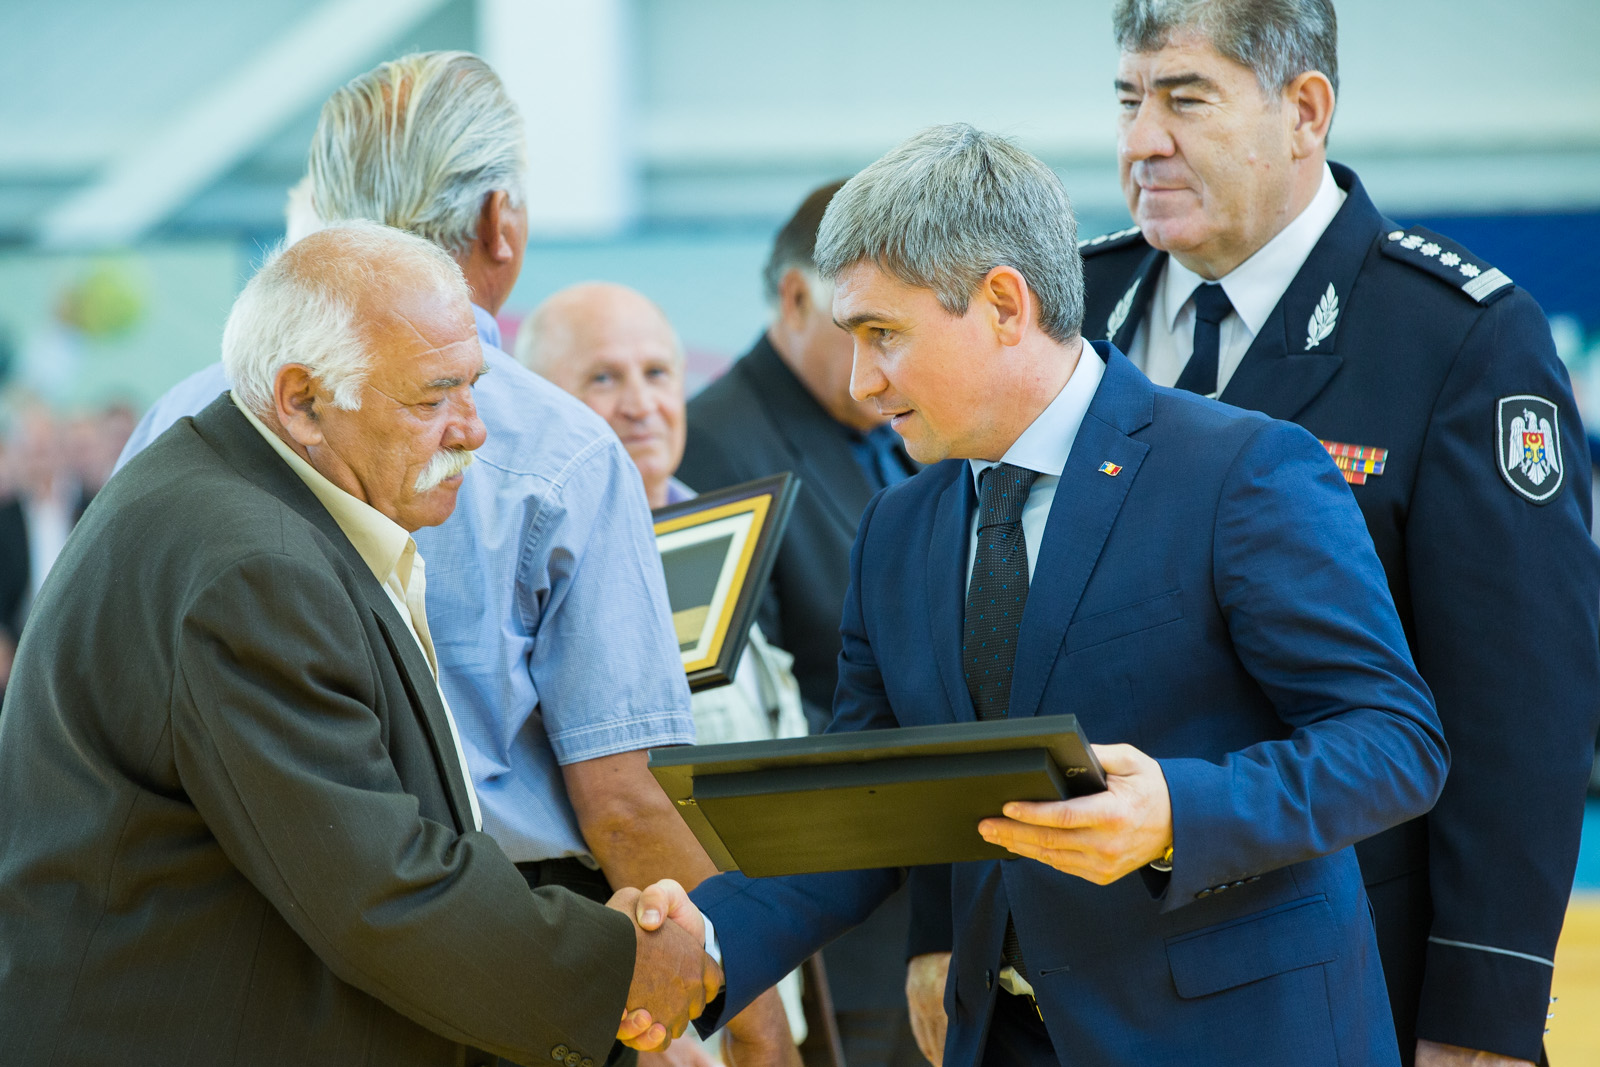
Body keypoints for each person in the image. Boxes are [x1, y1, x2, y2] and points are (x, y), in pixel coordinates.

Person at [904, 4, 1600, 1066]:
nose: (1143, 140)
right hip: (1050, 991)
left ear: (1305, 111)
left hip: (1333, 976)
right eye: (1128, 100)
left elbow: (1522, 699)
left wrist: (1482, 1010)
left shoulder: (1453, 335)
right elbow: (962, 628)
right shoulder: (1066, 305)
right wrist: (939, 922)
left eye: (1186, 99)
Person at [678, 123, 1448, 1067]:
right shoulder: (898, 528)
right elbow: (866, 803)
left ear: (1005, 304)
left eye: (883, 335)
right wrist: (700, 941)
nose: (861, 381)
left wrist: (1176, 812)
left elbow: (1393, 741)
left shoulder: (1238, 472)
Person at [114, 51, 793, 1064]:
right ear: (498, 224)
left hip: (241, 954)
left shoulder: (183, 420)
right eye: (437, 400)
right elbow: (627, 801)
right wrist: (754, 1025)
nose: (463, 429)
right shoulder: (563, 450)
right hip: (518, 959)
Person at [0, 222, 720, 1065]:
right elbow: (377, 889)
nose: (474, 430)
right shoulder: (253, 567)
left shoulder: (244, 500)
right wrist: (622, 967)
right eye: (432, 398)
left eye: (474, 388)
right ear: (302, 402)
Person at [521, 281, 811, 1062]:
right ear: (543, 402)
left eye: (657, 372)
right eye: (603, 377)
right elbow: (616, 806)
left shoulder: (722, 533)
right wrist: (674, 1033)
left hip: (760, 969)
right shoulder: (549, 571)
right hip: (667, 1001)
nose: (641, 403)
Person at [676, 183, 922, 1067]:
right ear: (794, 297)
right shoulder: (715, 447)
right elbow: (751, 711)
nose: (883, 365)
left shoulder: (906, 429)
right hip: (840, 924)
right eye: (867, 328)